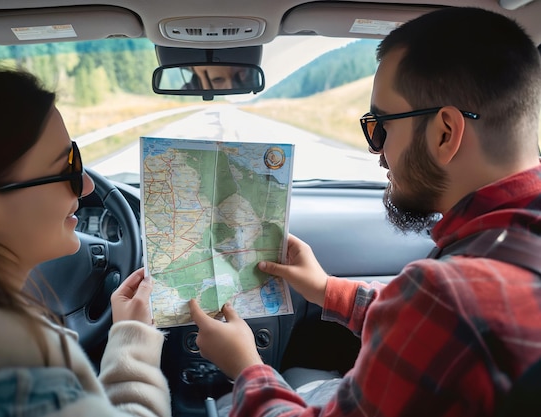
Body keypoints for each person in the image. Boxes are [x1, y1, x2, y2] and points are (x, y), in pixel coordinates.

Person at [189, 6, 541, 417]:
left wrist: (246, 365)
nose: (377, 153)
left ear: (446, 132)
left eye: (380, 126)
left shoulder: (450, 297)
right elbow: (436, 332)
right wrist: (326, 290)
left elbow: (447, 317)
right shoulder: (489, 273)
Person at [0, 70, 170, 416]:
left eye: (76, 159)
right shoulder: (20, 387)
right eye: (67, 169)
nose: (87, 187)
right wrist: (134, 337)